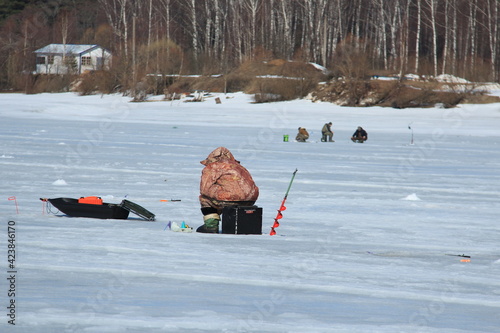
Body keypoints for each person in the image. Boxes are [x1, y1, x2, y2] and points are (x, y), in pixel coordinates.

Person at [197, 147, 259, 233]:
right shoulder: (239, 166)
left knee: (204, 198)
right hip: (250, 199)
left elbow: (204, 188)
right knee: (222, 193)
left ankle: (211, 225)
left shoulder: (213, 166)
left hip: (231, 198)